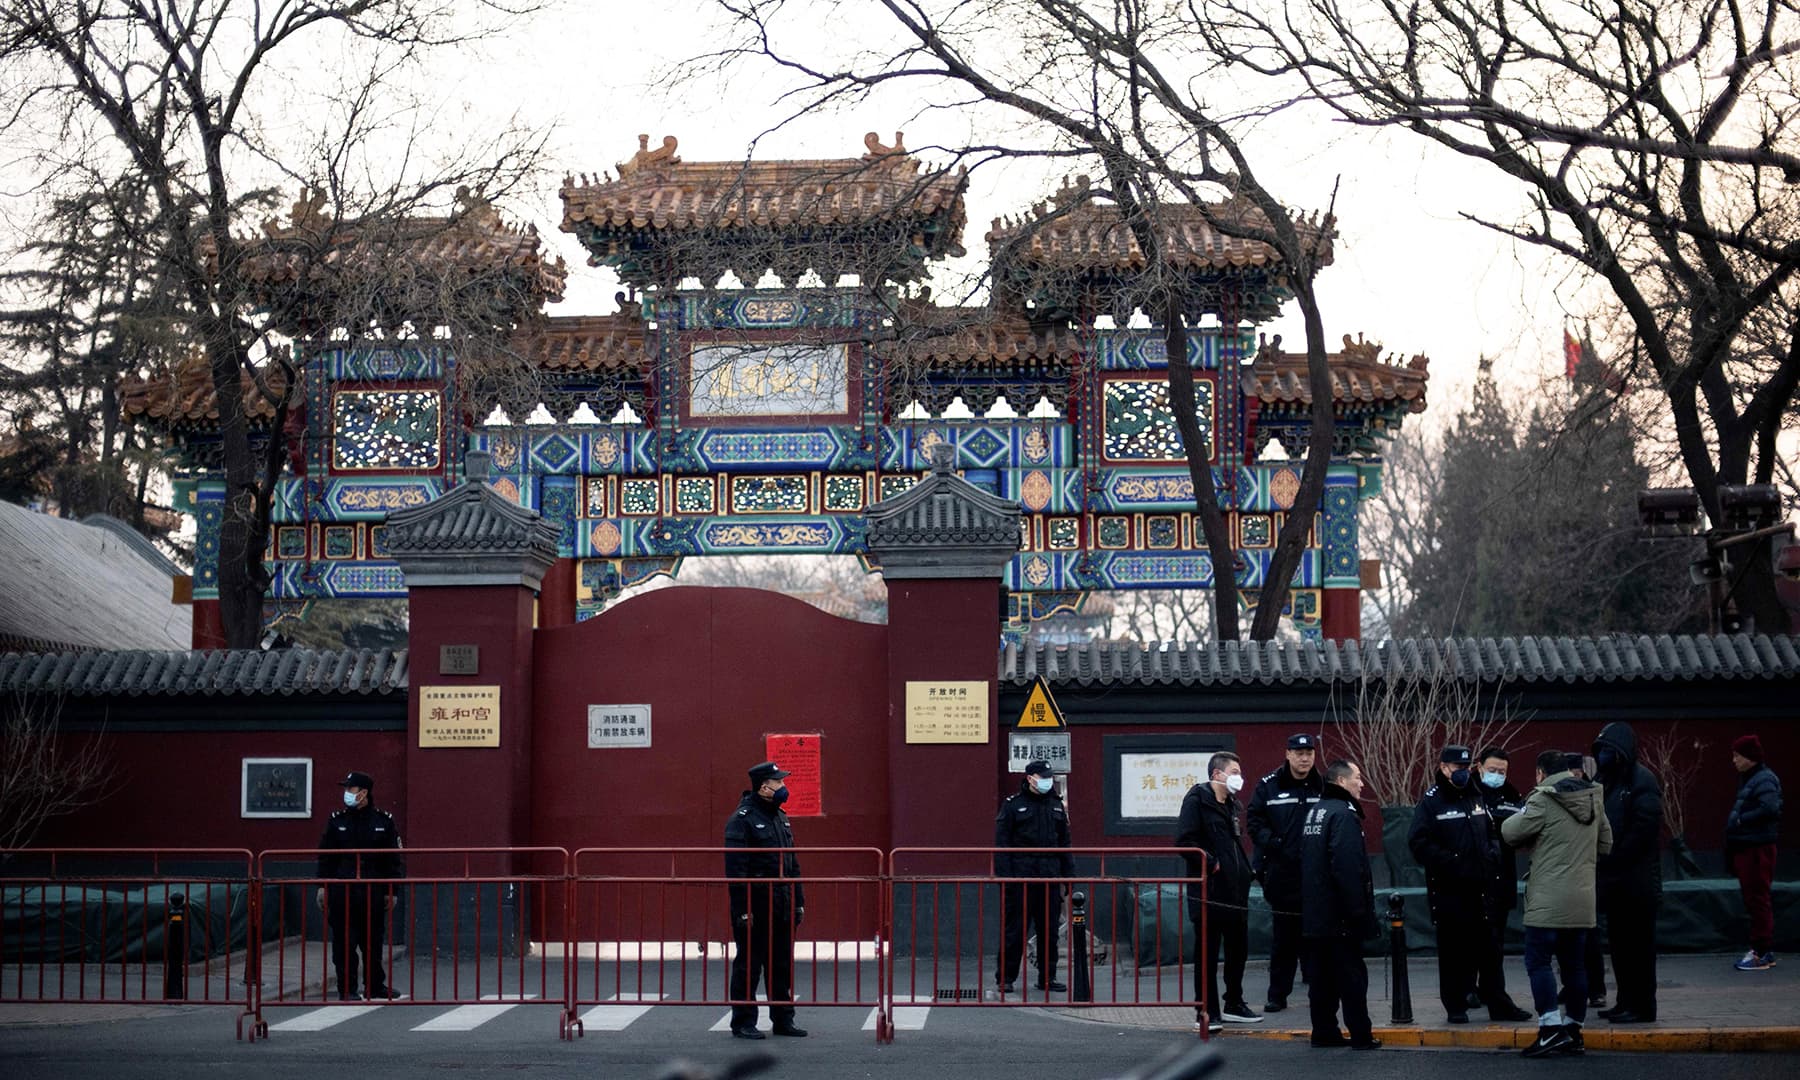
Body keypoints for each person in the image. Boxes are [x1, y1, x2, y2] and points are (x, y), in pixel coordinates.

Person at [1502, 750, 1613, 1058]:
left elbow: (1510, 831)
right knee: (1575, 965)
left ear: (1540, 773)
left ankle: (1550, 1030)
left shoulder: (1542, 799)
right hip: (1582, 901)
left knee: (1538, 963)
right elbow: (1606, 843)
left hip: (1548, 902)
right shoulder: (1593, 797)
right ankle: (1573, 1030)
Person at [1409, 744, 1529, 1023]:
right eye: (1456, 768)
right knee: (1454, 952)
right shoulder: (1432, 802)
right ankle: (1455, 1005)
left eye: (1465, 768)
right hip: (1450, 890)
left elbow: (1490, 833)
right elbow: (1418, 843)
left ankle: (1497, 1002)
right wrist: (1451, 860)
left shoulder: (1475, 796)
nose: (1461, 773)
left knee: (1490, 950)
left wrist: (1492, 856)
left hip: (1483, 889)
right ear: (1443, 768)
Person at [1175, 751, 1261, 1033]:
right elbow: (1184, 841)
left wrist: (1247, 872)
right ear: (1217, 775)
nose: (1239, 777)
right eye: (1234, 771)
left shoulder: (1231, 804)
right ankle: (1206, 1010)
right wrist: (1211, 864)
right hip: (1208, 892)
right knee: (1207, 955)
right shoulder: (1197, 800)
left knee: (1238, 951)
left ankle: (1234, 1003)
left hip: (1235, 892)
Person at [1299, 759, 1381, 1050]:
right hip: (1341, 916)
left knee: (1321, 978)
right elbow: (1347, 868)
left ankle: (1323, 1031)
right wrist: (1357, 912)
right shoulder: (1343, 815)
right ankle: (1361, 1034)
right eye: (1357, 777)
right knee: (1351, 977)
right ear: (1341, 782)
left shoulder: (1315, 812)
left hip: (1316, 915)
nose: (1362, 783)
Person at [724, 760, 806, 1039]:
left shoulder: (780, 817)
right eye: (779, 783)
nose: (784, 787)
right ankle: (743, 1022)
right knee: (749, 964)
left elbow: (792, 863)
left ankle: (783, 1019)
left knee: (781, 964)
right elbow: (736, 871)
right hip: (756, 907)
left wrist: (798, 901)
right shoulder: (742, 820)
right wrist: (743, 911)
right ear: (764, 787)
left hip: (781, 904)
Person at [1589, 722, 1663, 1024]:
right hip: (1613, 881)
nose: (1604, 755)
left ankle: (1643, 1006)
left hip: (1637, 881)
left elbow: (1645, 826)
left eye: (1609, 749)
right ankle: (1624, 1000)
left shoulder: (1641, 780)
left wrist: (1616, 855)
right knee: (1619, 946)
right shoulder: (1606, 780)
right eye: (1600, 750)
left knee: (1639, 949)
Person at [1247, 733, 1324, 1012]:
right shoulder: (1269, 786)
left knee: (1316, 936)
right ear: (1288, 754)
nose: (1304, 758)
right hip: (1283, 874)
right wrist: (1275, 843)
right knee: (1284, 939)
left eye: (1309, 753)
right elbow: (1254, 822)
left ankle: (1320, 991)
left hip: (1316, 875)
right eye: (1299, 753)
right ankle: (1277, 994)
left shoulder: (1323, 786)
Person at [315, 770, 405, 1002]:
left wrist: (392, 891)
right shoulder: (337, 821)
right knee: (344, 943)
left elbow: (392, 860)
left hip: (372, 890)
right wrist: (322, 886)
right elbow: (326, 857)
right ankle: (347, 989)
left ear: (363, 793)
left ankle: (375, 986)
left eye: (350, 789)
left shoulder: (383, 822)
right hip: (342, 890)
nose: (346, 793)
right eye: (345, 789)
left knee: (373, 942)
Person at [995, 759, 1075, 996]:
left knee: (1049, 931)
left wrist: (1069, 877)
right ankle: (1006, 978)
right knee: (1015, 930)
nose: (1047, 782)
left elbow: (1065, 844)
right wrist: (1006, 879)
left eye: (1049, 777)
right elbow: (1002, 845)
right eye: (1042, 777)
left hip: (1049, 878)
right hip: (1020, 878)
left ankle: (1047, 978)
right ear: (1030, 779)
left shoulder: (1057, 806)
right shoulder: (1012, 806)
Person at [1477, 746, 1529, 1012]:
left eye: (1502, 772)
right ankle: (1484, 992)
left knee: (1495, 943)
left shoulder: (1511, 795)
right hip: (1477, 881)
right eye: (1493, 770)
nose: (1497, 775)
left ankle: (1489, 991)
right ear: (1479, 767)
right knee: (1480, 943)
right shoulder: (1469, 794)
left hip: (1503, 878)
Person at [1726, 734, 1782, 971]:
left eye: (1738, 755)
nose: (1734, 760)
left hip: (1756, 848)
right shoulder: (1752, 779)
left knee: (1758, 899)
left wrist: (1740, 820)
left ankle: (1761, 952)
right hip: (1748, 847)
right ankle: (1761, 949)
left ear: (1750, 757)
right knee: (1755, 899)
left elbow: (1770, 808)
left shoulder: (1763, 780)